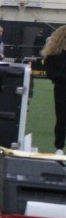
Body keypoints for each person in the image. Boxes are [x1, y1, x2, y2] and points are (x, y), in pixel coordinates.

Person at [41, 25, 66, 154]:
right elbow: (50, 73)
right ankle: (59, 147)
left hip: (61, 88)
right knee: (62, 119)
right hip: (61, 90)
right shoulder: (53, 54)